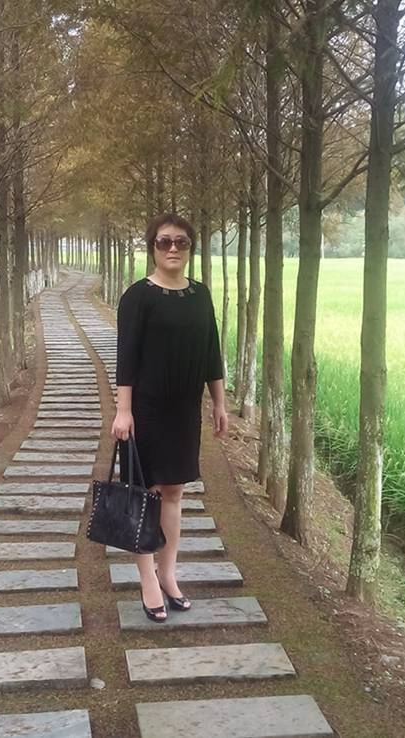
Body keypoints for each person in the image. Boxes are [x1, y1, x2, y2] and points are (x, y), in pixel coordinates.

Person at [111, 213, 228, 623]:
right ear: (153, 248)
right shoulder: (137, 297)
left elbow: (212, 351)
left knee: (175, 492)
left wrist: (219, 402)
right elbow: (126, 359)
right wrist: (123, 411)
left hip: (184, 409)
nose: (173, 248)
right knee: (146, 492)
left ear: (191, 247)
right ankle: (147, 579)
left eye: (181, 242)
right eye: (164, 242)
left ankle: (168, 573)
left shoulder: (201, 295)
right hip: (146, 409)